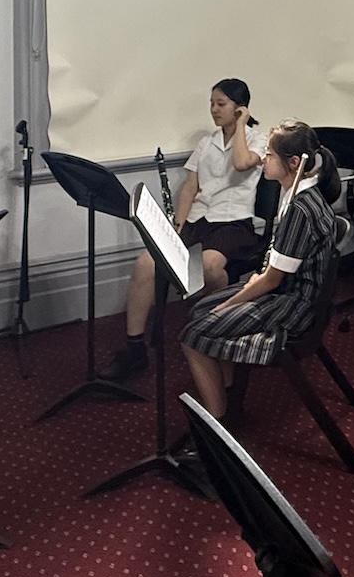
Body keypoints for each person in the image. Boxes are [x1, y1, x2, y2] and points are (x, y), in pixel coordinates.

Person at [177, 121, 341, 421]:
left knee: (193, 334)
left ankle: (218, 423)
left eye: (269, 154)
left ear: (293, 163)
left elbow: (273, 280)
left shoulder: (300, 209)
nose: (263, 158)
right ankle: (229, 396)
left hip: (294, 304)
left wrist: (230, 303)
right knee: (200, 310)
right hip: (287, 291)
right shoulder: (298, 194)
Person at [109, 79, 268, 379]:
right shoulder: (206, 143)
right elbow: (190, 187)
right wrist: (177, 228)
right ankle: (134, 348)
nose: (214, 110)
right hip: (199, 220)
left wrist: (241, 125)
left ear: (240, 108)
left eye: (221, 104)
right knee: (145, 263)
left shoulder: (258, 141)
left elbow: (241, 163)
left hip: (233, 223)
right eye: (211, 104)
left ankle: (219, 332)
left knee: (207, 267)